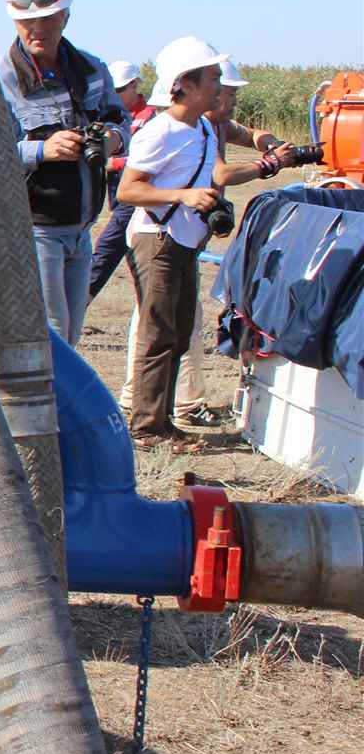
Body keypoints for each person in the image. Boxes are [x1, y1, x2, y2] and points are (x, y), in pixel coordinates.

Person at [116, 39, 307, 448]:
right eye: (213, 77)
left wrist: (266, 164)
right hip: (158, 240)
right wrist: (183, 196)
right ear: (185, 84)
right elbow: (128, 191)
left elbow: (218, 173)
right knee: (159, 334)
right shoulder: (159, 132)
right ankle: (146, 428)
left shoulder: (202, 127)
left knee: (179, 333)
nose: (220, 86)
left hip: (184, 242)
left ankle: (163, 423)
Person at [0, 0, 127, 347]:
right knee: (52, 334)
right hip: (36, 229)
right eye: (27, 22)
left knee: (71, 333)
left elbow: (120, 120)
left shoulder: (91, 70)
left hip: (82, 228)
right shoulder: (2, 79)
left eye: (47, 19)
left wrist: (112, 140)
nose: (37, 29)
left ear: (65, 16)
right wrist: (43, 150)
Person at [87, 60, 155, 301]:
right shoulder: (115, 117)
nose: (114, 96)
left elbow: (147, 159)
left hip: (136, 199)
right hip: (117, 195)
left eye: (119, 90)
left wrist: (113, 162)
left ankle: (83, 298)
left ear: (135, 85)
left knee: (106, 249)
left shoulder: (150, 118)